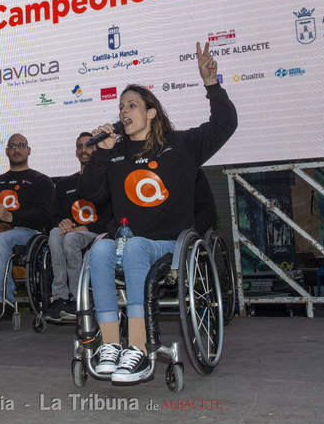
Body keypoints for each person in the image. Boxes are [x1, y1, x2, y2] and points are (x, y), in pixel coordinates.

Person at [81, 42, 237, 385]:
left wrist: (212, 84)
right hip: (127, 245)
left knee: (136, 246)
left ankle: (137, 346)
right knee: (101, 248)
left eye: (132, 105)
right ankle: (110, 346)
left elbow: (224, 125)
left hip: (168, 246)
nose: (123, 111)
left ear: (151, 112)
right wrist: (102, 155)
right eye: (121, 106)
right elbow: (90, 195)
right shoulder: (115, 152)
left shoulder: (179, 146)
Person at [0, 134, 54, 317]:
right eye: (12, 146)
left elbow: (43, 214)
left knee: (0, 239)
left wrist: (10, 216)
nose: (17, 149)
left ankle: (4, 300)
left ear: (28, 150)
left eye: (21, 145)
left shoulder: (41, 180)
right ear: (6, 152)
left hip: (29, 232)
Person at [45, 132, 110, 321]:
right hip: (71, 232)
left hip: (96, 233)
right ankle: (59, 297)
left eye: (89, 145)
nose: (84, 150)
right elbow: (54, 216)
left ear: (97, 150)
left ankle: (77, 298)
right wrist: (61, 222)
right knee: (55, 234)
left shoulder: (107, 181)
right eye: (80, 146)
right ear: (75, 152)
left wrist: (87, 228)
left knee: (71, 238)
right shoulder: (64, 184)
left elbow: (113, 217)